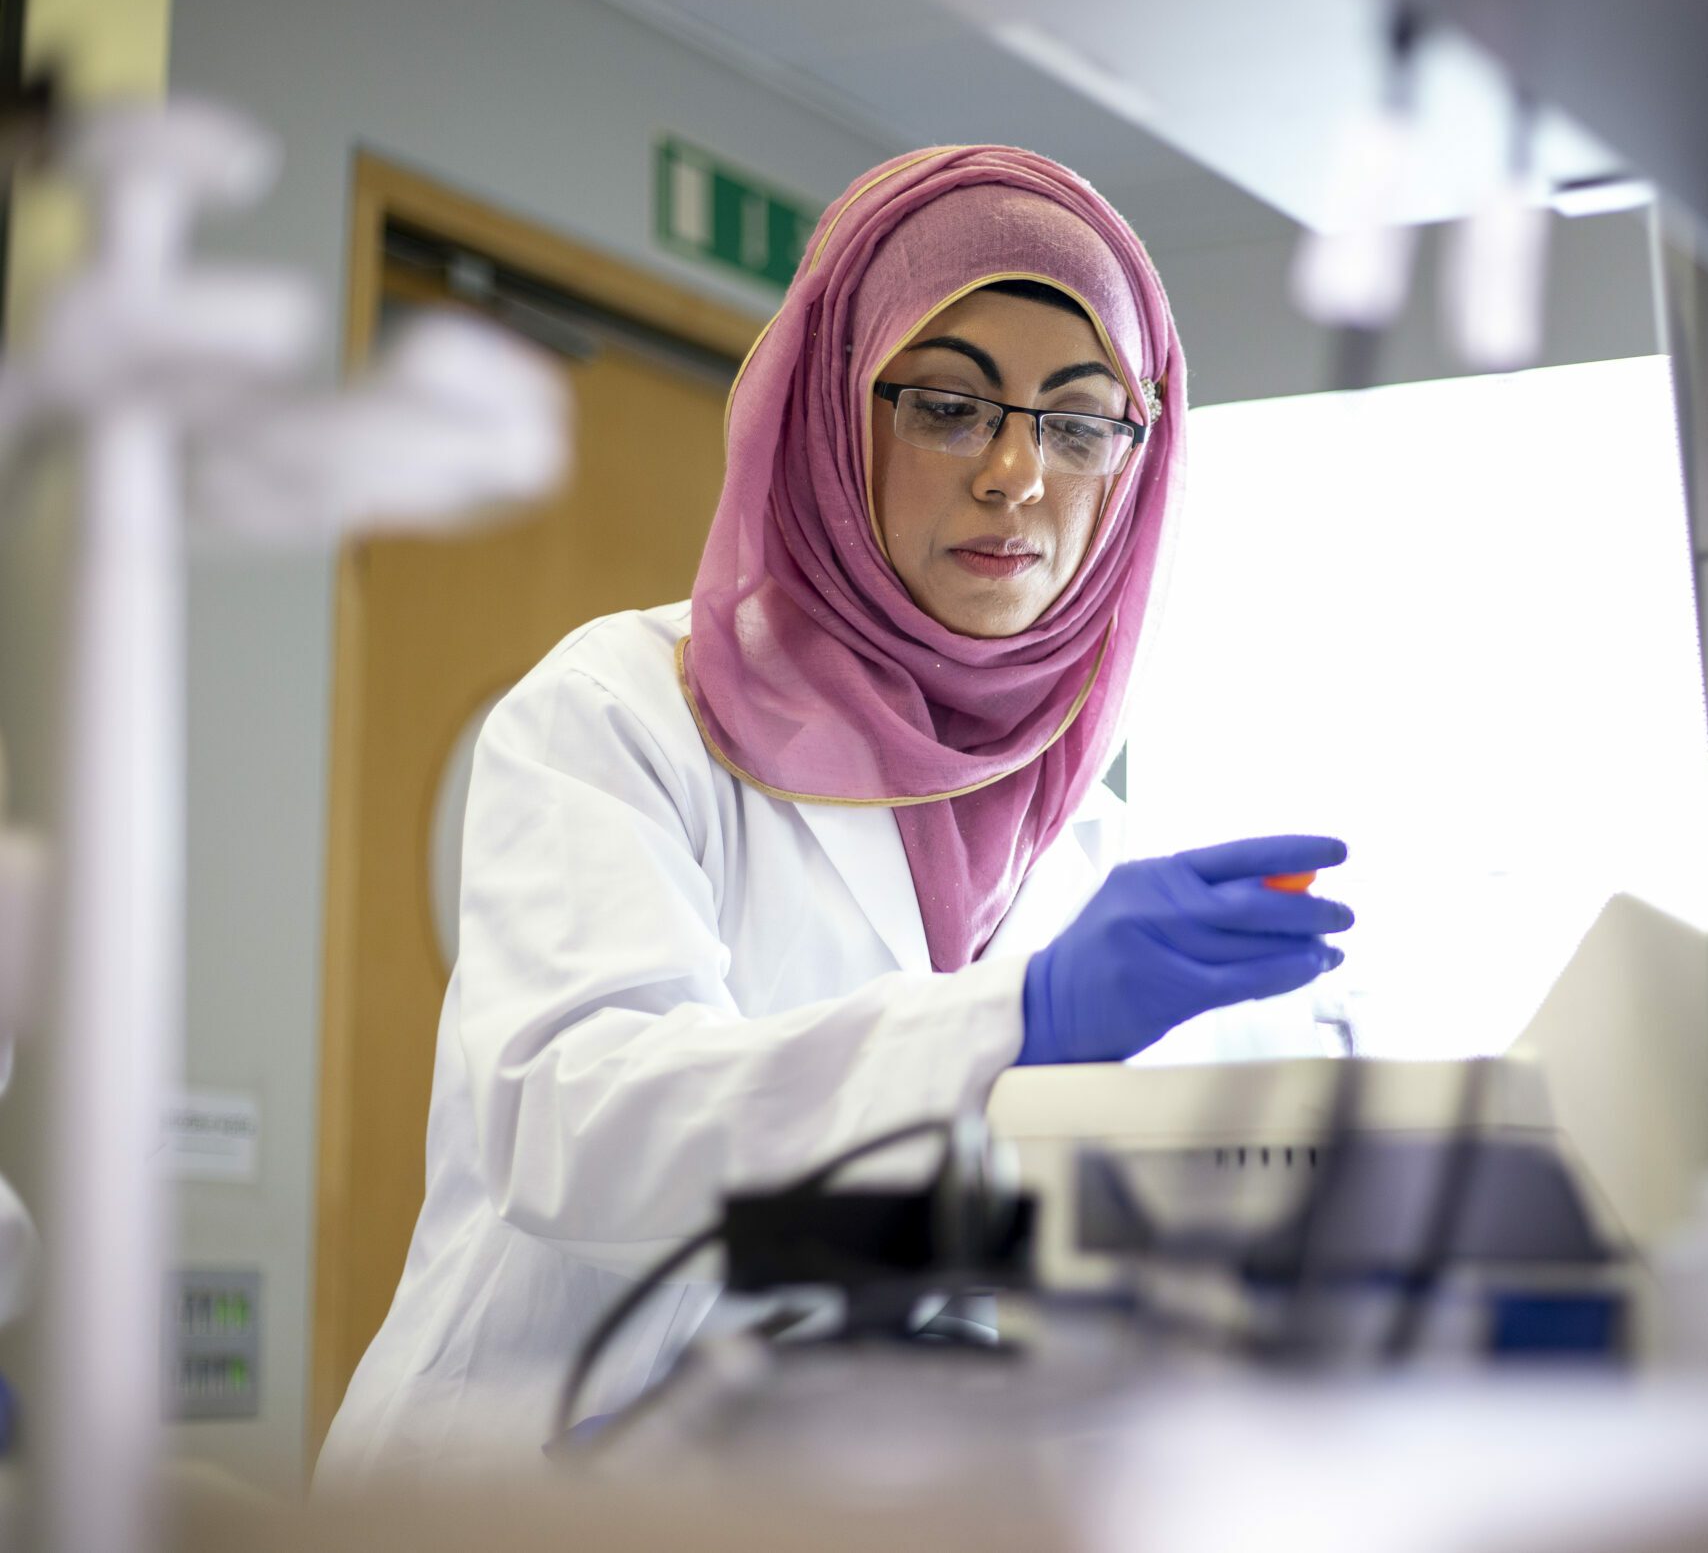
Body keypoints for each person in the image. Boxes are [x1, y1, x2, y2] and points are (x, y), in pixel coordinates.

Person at [316, 145, 1353, 1481]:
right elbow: (578, 1130)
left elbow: (957, 1232)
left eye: (1082, 421)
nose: (1018, 477)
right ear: (834, 408)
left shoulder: (1073, 835)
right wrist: (1012, 1023)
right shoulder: (629, 710)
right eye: (948, 405)